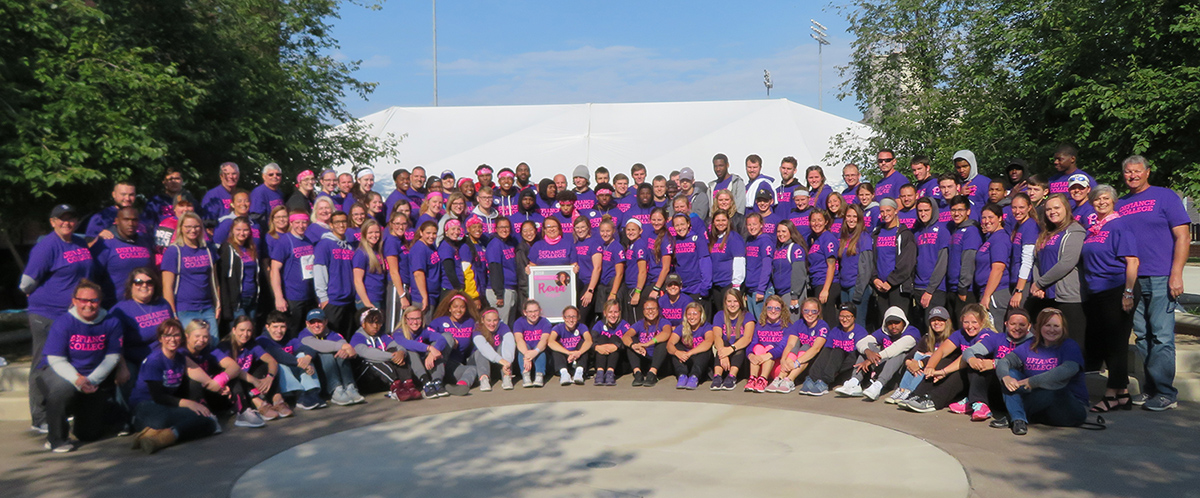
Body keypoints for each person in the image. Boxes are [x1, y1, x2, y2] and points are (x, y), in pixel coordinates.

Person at [1117, 156, 1189, 411]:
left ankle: (1166, 393)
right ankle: (1150, 389)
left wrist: (1176, 273)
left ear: (1147, 172)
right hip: (1133, 278)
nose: (1132, 175)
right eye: (1128, 172)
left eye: (1137, 171)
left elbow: (1183, 236)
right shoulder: (1120, 203)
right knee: (1143, 336)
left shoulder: (1165, 196)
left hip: (1161, 275)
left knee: (1161, 335)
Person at [21, 204, 95, 433]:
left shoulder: (80, 243)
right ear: (52, 222)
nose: (67, 223)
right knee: (43, 363)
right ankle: (40, 417)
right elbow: (26, 283)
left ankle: (63, 410)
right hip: (46, 314)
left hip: (70, 316)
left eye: (71, 218)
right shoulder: (47, 246)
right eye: (61, 219)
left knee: (67, 362)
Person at [36, 280, 123, 452]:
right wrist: (77, 380)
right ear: (75, 301)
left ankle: (79, 418)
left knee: (89, 434)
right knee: (62, 390)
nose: (88, 305)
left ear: (100, 301)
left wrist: (90, 380)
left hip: (92, 377)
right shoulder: (63, 322)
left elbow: (113, 357)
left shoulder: (111, 321)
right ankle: (56, 439)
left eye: (93, 300)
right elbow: (56, 359)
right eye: (83, 300)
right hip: (59, 372)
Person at [1080, 185, 1139, 412]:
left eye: (1105, 198)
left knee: (1116, 344)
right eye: (1097, 199)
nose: (1101, 202)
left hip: (1117, 289)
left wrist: (1128, 292)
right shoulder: (1094, 228)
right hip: (1097, 291)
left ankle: (1111, 395)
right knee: (1106, 343)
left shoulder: (1119, 226)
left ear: (1113, 201)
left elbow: (1132, 262)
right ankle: (1123, 394)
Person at [128, 319, 225, 454]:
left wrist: (217, 385)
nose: (172, 339)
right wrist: (190, 404)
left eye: (176, 335)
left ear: (182, 337)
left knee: (207, 422)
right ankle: (161, 438)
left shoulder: (180, 358)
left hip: (165, 407)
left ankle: (156, 435)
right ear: (161, 338)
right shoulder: (154, 361)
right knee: (201, 420)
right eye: (168, 335)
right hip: (145, 407)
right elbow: (158, 397)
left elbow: (196, 372)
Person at [993, 308, 1089, 435]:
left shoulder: (1069, 346)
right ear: (1039, 327)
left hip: (1068, 407)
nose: (1052, 329)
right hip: (1039, 405)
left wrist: (1032, 381)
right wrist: (1005, 377)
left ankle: (1014, 416)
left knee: (1052, 389)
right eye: (1047, 325)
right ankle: (1019, 419)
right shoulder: (1031, 345)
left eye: (1056, 326)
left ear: (1063, 328)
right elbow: (1005, 361)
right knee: (1011, 374)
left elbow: (1068, 370)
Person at [903, 304, 996, 413]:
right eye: (966, 322)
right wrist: (930, 367)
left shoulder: (987, 334)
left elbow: (966, 356)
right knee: (943, 361)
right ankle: (916, 395)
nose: (970, 326)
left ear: (982, 321)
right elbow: (941, 351)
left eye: (974, 322)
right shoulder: (960, 333)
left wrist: (943, 372)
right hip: (969, 377)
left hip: (986, 380)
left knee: (960, 371)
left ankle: (933, 400)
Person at [952, 307, 1036, 422]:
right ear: (1006, 324)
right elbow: (969, 351)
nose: (1017, 328)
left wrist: (994, 363)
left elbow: (1025, 366)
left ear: (1029, 326)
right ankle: (978, 403)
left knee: (1010, 372)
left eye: (1022, 325)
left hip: (1015, 391)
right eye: (1013, 324)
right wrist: (971, 359)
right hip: (995, 388)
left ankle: (974, 399)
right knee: (978, 357)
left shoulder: (1034, 343)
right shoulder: (998, 338)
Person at [1028, 194, 1086, 357]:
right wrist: (1038, 284)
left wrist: (1040, 283)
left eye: (1056, 208)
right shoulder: (1046, 233)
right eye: (1048, 209)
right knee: (1050, 345)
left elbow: (1067, 262)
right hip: (1047, 296)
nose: (1052, 212)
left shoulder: (1075, 231)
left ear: (1066, 209)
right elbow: (1037, 261)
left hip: (1069, 297)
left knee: (1073, 344)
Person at [111, 268, 174, 400]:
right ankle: (128, 416)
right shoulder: (120, 310)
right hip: (133, 360)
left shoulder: (163, 304)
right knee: (128, 379)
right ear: (131, 285)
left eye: (149, 282)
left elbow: (174, 332)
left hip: (163, 358)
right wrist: (121, 367)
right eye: (138, 282)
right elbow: (114, 342)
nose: (144, 285)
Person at [835, 306, 919, 401]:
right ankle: (855, 382)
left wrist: (869, 361)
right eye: (890, 323)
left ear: (903, 322)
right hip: (882, 368)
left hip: (899, 373)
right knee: (869, 347)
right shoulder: (884, 331)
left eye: (897, 322)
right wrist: (868, 352)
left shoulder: (912, 332)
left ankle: (878, 386)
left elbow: (896, 348)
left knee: (900, 353)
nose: (893, 326)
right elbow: (861, 342)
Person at [162, 212, 220, 338]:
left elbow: (214, 280)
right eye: (188, 227)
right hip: (184, 309)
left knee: (212, 344)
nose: (192, 230)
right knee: (191, 346)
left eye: (196, 226)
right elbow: (167, 286)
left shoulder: (208, 249)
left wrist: (218, 304)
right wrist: (172, 313)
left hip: (207, 307)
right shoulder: (174, 251)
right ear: (181, 228)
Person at [220, 315, 288, 421]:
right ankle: (259, 403)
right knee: (236, 379)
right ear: (234, 330)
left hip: (249, 380)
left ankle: (277, 399)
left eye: (249, 331)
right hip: (231, 383)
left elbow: (272, 361)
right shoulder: (224, 346)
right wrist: (255, 381)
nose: (245, 334)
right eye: (242, 330)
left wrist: (269, 377)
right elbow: (235, 370)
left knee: (265, 366)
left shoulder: (251, 344)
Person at [255, 312, 325, 410]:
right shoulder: (262, 340)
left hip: (294, 369)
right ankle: (298, 395)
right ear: (267, 327)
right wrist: (301, 364)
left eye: (282, 327)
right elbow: (278, 355)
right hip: (276, 377)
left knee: (303, 355)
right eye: (275, 327)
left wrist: (307, 358)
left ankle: (312, 392)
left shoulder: (289, 338)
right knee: (279, 363)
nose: (279, 331)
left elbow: (307, 349)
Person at [349, 308, 420, 401]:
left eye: (378, 323)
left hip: (384, 378)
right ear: (363, 324)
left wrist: (401, 353)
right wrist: (392, 357)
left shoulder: (382, 336)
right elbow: (365, 353)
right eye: (371, 323)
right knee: (372, 360)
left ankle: (408, 385)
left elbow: (397, 346)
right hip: (367, 379)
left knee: (395, 351)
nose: (375, 326)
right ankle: (397, 388)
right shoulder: (357, 337)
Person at [297, 308, 364, 406]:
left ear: (326, 322)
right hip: (319, 377)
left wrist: (344, 350)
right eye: (312, 322)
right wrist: (343, 347)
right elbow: (318, 345)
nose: (316, 325)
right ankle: (335, 390)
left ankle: (349, 387)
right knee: (326, 354)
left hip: (335, 372)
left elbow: (346, 346)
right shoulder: (304, 335)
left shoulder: (332, 333)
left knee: (342, 354)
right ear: (307, 323)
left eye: (319, 321)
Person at [887, 306, 953, 405]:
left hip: (939, 371)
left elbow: (948, 359)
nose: (937, 323)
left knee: (926, 357)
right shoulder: (927, 337)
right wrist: (909, 362)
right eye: (933, 320)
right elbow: (911, 354)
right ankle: (902, 390)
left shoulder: (953, 338)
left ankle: (911, 392)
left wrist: (921, 363)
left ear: (947, 322)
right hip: (922, 369)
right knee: (918, 355)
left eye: (940, 320)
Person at [798, 301, 866, 396]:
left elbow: (857, 356)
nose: (844, 319)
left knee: (838, 351)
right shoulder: (835, 330)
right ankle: (812, 378)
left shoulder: (860, 332)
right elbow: (826, 353)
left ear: (854, 317)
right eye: (842, 316)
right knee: (827, 350)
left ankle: (824, 382)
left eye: (848, 316)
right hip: (833, 365)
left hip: (848, 366)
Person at [93, 207, 154, 306]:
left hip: (142, 305)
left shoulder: (144, 241)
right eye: (126, 220)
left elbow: (152, 272)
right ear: (117, 221)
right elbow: (94, 276)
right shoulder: (105, 243)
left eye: (134, 220)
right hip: (113, 306)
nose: (130, 224)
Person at [269, 210, 316, 333]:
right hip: (292, 296)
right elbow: (274, 270)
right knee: (293, 331)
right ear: (291, 223)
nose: (301, 226)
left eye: (304, 222)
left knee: (307, 331)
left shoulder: (308, 240)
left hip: (309, 295)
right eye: (297, 222)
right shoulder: (284, 241)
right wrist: (278, 297)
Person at [770, 298, 830, 394]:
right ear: (802, 311)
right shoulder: (799, 323)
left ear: (818, 312)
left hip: (814, 358)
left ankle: (789, 379)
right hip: (799, 358)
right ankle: (780, 378)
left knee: (806, 346)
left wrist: (796, 363)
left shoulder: (822, 326)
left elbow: (816, 348)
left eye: (813, 311)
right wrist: (783, 360)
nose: (810, 314)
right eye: (806, 310)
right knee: (796, 345)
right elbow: (790, 344)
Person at [427, 293, 480, 395]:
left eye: (462, 307)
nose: (458, 310)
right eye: (455, 307)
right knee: (446, 336)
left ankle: (460, 385)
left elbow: (475, 344)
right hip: (437, 363)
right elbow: (427, 336)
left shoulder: (470, 322)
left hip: (454, 365)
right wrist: (449, 340)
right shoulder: (438, 321)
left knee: (473, 369)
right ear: (449, 308)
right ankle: (436, 381)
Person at [872, 198, 916, 321]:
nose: (885, 214)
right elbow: (873, 259)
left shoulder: (905, 234)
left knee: (898, 323)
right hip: (880, 286)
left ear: (896, 211)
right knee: (884, 323)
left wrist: (891, 282)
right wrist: (874, 278)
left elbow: (907, 263)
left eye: (888, 210)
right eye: (882, 211)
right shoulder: (877, 234)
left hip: (898, 287)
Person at [314, 212, 357, 335]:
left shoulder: (350, 246)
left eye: (344, 221)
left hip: (349, 301)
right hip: (333, 300)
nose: (341, 225)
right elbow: (319, 270)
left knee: (347, 337)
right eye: (337, 222)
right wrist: (323, 297)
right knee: (332, 337)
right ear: (331, 225)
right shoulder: (324, 244)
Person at [913, 198, 950, 330]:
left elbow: (942, 263)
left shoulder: (942, 231)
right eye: (920, 211)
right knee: (922, 328)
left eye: (926, 210)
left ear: (933, 210)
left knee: (934, 327)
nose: (923, 214)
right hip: (918, 287)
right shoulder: (917, 232)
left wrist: (930, 290)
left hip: (935, 289)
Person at [217, 216, 260, 330]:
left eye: (245, 230)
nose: (242, 233)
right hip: (237, 300)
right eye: (238, 230)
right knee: (240, 333)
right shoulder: (227, 249)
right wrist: (226, 306)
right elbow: (223, 279)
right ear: (232, 231)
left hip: (252, 298)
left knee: (251, 332)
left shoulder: (251, 248)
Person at [744, 295, 793, 393]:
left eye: (777, 308)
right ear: (765, 308)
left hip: (777, 366)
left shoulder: (787, 326)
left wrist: (768, 355)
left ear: (782, 310)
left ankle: (763, 379)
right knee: (757, 348)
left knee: (768, 348)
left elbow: (783, 347)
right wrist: (750, 355)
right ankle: (753, 378)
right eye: (770, 307)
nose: (773, 311)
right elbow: (753, 342)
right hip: (760, 363)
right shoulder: (760, 324)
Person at [946, 196, 982, 322]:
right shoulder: (955, 230)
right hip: (952, 288)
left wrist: (963, 287)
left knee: (965, 326)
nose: (956, 214)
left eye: (960, 210)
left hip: (965, 290)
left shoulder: (971, 231)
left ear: (968, 211)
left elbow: (969, 260)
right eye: (953, 210)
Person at [711, 288, 755, 390]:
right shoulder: (719, 315)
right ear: (725, 303)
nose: (732, 304)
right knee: (722, 342)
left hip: (738, 350)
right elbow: (717, 336)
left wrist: (730, 349)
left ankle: (732, 376)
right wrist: (723, 354)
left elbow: (747, 338)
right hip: (724, 349)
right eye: (729, 301)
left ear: (740, 302)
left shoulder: (747, 316)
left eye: (735, 301)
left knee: (738, 343)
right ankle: (717, 376)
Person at [976, 204, 1012, 327]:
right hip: (987, 291)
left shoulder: (1000, 238)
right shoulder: (991, 238)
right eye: (984, 218)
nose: (987, 221)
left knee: (994, 331)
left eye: (990, 217)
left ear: (1000, 218)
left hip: (996, 292)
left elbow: (998, 268)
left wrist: (987, 296)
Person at [669, 213, 712, 316]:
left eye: (682, 224)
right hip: (682, 291)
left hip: (697, 289)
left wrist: (704, 288)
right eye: (677, 225)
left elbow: (705, 264)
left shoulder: (698, 239)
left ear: (688, 224)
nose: (680, 228)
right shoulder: (673, 241)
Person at [838, 205, 874, 325]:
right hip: (844, 286)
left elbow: (866, 267)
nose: (851, 219)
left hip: (857, 288)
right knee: (845, 323)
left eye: (855, 216)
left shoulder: (864, 237)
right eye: (848, 216)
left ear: (859, 219)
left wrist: (858, 292)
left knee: (857, 324)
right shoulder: (844, 237)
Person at [623, 298, 672, 387]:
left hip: (659, 361)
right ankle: (637, 373)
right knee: (631, 342)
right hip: (644, 357)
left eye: (653, 308)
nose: (650, 311)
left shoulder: (664, 322)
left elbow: (666, 333)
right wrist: (633, 345)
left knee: (663, 344)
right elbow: (626, 336)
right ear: (643, 311)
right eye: (647, 309)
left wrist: (647, 343)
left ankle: (652, 374)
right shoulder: (639, 324)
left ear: (658, 310)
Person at [667, 302, 715, 390]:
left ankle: (694, 377)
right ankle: (682, 376)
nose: (692, 317)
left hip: (700, 361)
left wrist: (690, 353)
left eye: (695, 314)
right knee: (676, 347)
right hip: (686, 360)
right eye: (689, 314)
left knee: (705, 350)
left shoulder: (706, 326)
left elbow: (708, 342)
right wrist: (677, 352)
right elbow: (669, 344)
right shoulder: (681, 327)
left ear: (701, 315)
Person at [1007, 194, 1040, 310]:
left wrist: (1019, 290)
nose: (1017, 211)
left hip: (1025, 282)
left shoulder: (1030, 226)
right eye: (1014, 207)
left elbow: (1027, 260)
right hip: (1015, 279)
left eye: (1021, 207)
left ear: (1029, 207)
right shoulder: (1019, 226)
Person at [772, 221, 809, 321]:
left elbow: (799, 274)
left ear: (791, 232)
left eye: (784, 231)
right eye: (778, 231)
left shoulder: (795, 249)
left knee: (791, 324)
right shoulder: (778, 249)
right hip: (780, 293)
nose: (781, 234)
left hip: (791, 293)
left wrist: (794, 295)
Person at [471, 308, 515, 391]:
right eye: (489, 320)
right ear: (482, 320)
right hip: (480, 362)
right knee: (480, 351)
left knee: (503, 347)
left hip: (499, 363)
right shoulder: (477, 328)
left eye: (495, 320)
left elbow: (509, 342)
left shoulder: (502, 326)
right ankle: (484, 378)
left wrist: (507, 362)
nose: (492, 323)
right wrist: (501, 360)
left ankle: (506, 376)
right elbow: (484, 347)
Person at [807, 209, 839, 322]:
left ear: (826, 222)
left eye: (820, 220)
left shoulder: (828, 238)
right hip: (816, 282)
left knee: (827, 319)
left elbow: (831, 265)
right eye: (813, 220)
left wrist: (826, 289)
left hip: (826, 284)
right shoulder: (814, 239)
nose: (816, 223)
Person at [513, 300, 553, 388]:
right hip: (525, 353)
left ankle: (539, 375)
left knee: (540, 349)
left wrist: (535, 352)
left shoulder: (545, 322)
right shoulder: (519, 322)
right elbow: (519, 339)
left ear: (540, 311)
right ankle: (526, 374)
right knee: (523, 347)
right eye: (530, 312)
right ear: (525, 312)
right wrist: (527, 356)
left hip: (539, 352)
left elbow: (544, 340)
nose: (533, 314)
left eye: (535, 311)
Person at [549, 306, 592, 385]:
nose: (571, 320)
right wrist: (569, 353)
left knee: (583, 344)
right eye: (568, 317)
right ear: (564, 317)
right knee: (556, 347)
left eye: (574, 317)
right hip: (565, 357)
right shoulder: (558, 328)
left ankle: (579, 372)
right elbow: (550, 342)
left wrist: (578, 352)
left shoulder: (582, 327)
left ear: (578, 317)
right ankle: (564, 373)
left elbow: (589, 341)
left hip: (578, 356)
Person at [742, 213, 774, 320]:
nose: (752, 227)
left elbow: (767, 266)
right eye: (749, 225)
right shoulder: (749, 241)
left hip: (761, 290)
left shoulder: (765, 241)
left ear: (761, 225)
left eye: (754, 224)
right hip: (750, 290)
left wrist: (761, 289)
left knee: (763, 321)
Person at [353, 219, 388, 313]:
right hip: (368, 299)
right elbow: (357, 280)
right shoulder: (361, 253)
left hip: (379, 297)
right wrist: (366, 303)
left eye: (377, 232)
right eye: (370, 232)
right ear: (364, 234)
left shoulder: (377, 251)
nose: (374, 235)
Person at [952, 150, 990, 217]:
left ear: (972, 165)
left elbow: (991, 206)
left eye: (965, 166)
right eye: (958, 167)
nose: (961, 170)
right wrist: (960, 195)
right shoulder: (953, 183)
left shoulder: (984, 182)